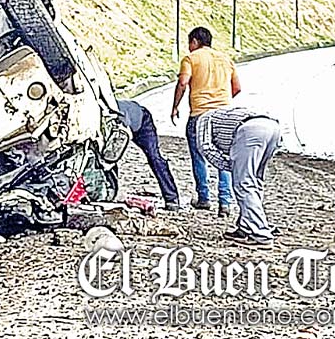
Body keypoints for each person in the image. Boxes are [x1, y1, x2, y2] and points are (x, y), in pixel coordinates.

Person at [170, 27, 241, 218]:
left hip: (199, 115)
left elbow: (183, 82)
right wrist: (221, 101)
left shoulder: (190, 59)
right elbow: (237, 88)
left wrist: (175, 106)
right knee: (223, 156)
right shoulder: (226, 59)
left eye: (189, 43)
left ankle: (204, 197)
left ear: (194, 41)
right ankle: (225, 202)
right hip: (224, 115)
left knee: (198, 156)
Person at [195, 107, 281, 248]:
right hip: (273, 127)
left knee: (244, 184)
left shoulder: (203, 119)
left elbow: (205, 147)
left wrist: (232, 167)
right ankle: (247, 227)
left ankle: (260, 235)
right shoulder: (221, 115)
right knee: (255, 181)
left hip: (250, 131)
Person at [117, 100, 180, 211]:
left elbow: (124, 128)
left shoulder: (113, 111)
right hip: (129, 123)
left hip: (143, 122)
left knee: (154, 158)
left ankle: (171, 198)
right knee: (107, 159)